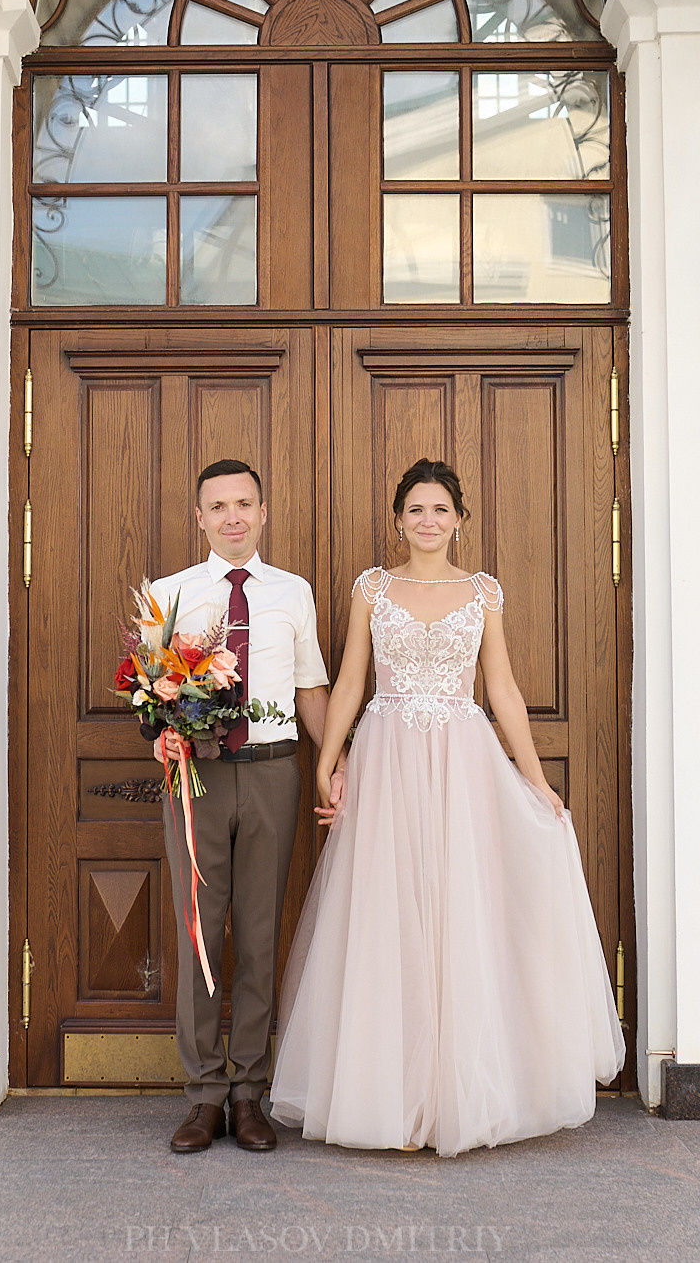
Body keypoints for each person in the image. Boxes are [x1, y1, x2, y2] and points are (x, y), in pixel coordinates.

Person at [270, 458, 625, 1156]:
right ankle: (391, 1098)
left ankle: (464, 1095)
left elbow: (505, 691)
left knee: (463, 915)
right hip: (387, 756)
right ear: (397, 519)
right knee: (386, 915)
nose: (427, 521)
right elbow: (347, 682)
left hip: (463, 762)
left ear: (459, 519)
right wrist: (326, 761)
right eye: (415, 510)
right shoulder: (371, 588)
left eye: (440, 510)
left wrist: (536, 780)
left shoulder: (483, 592)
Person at [149, 459, 336, 1154]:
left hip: (272, 774)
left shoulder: (293, 592)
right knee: (200, 937)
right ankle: (202, 1097)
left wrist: (335, 765)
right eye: (218, 506)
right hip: (196, 778)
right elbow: (152, 696)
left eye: (244, 504)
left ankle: (249, 1094)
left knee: (258, 938)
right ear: (198, 517)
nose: (232, 516)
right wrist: (161, 737)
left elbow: (312, 688)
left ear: (263, 512)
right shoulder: (167, 595)